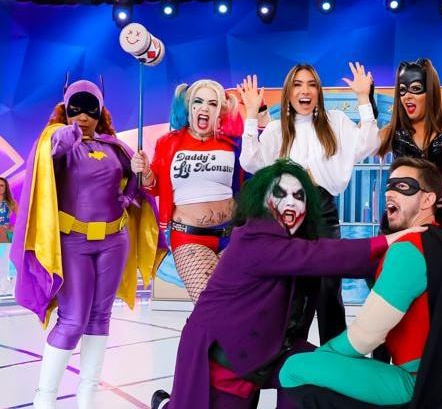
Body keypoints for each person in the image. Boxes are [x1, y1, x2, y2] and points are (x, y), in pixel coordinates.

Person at [150, 159, 423, 409]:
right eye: (280, 195)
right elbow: (323, 257)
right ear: (263, 201)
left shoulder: (298, 242)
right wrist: (390, 240)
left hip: (267, 352)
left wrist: (416, 251)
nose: (290, 203)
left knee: (306, 372)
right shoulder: (253, 237)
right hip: (221, 361)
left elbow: (345, 261)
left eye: (299, 196)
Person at [10, 79, 167, 409]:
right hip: (73, 243)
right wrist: (67, 131)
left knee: (100, 317)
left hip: (114, 241)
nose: (82, 115)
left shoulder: (114, 147)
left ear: (100, 112)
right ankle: (45, 398)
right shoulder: (57, 141)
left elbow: (139, 187)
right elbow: (50, 150)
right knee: (73, 319)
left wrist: (136, 180)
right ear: (65, 109)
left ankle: (87, 397)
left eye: (89, 108)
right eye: (75, 107)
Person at [279, 157, 442, 408]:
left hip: (417, 385)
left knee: (294, 369)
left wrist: (325, 355)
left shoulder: (410, 249)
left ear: (428, 200)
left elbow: (365, 337)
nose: (390, 192)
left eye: (404, 186)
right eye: (389, 185)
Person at [238, 63, 380, 344]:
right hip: (287, 218)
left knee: (330, 290)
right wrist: (251, 115)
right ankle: (290, 356)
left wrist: (364, 99)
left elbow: (369, 144)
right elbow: (250, 161)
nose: (305, 91)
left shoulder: (335, 122)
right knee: (293, 292)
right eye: (298, 84)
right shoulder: (278, 129)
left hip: (323, 210)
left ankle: (335, 363)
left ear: (319, 92)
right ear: (289, 92)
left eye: (311, 84)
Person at [131, 79, 249, 303]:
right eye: (199, 101)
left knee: (237, 307)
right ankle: (199, 338)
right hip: (190, 238)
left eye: (213, 104)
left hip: (232, 238)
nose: (205, 108)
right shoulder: (169, 142)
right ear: (190, 107)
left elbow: (253, 172)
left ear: (220, 111)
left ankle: (201, 337)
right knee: (210, 304)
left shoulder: (233, 143)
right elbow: (154, 185)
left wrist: (258, 115)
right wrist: (145, 171)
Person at [378, 59, 442, 176]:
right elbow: (360, 146)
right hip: (403, 194)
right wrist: (366, 102)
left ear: (430, 92)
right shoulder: (393, 131)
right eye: (402, 90)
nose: (407, 96)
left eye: (415, 88)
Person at [0, 176, 17, 243]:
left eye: (1, 185)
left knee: (2, 230)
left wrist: (13, 228)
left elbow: (21, 219)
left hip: (5, 231)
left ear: (5, 188)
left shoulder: (11, 202)